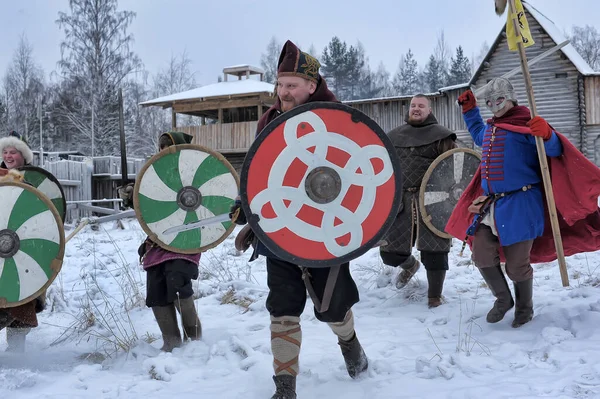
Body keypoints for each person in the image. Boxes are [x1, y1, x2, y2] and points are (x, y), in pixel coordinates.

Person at [230, 40, 368, 399]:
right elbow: (264, 177)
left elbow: (358, 180)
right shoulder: (270, 122)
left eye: (291, 85)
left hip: (327, 232)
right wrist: (247, 212)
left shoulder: (338, 120)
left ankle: (350, 343)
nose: (284, 92)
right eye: (280, 85)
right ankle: (285, 385)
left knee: (333, 307)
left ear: (311, 84)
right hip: (280, 234)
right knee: (283, 307)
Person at [453, 77, 565, 328]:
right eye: (490, 102)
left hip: (522, 204)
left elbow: (555, 150)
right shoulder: (493, 128)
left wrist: (547, 135)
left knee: (516, 265)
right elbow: (478, 136)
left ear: (511, 97)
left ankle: (524, 310)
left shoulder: (526, 124)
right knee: (480, 252)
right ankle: (503, 300)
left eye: (499, 99)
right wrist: (470, 111)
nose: (495, 105)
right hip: (493, 205)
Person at [118, 131, 202, 351]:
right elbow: (147, 206)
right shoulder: (156, 176)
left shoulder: (195, 174)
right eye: (162, 146)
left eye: (169, 146)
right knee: (156, 291)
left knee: (177, 283)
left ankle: (195, 343)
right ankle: (172, 344)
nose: (164, 150)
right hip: (158, 243)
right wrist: (132, 194)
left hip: (185, 240)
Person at [379, 95, 457, 308]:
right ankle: (410, 265)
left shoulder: (441, 137)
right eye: (413, 105)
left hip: (434, 201)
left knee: (435, 252)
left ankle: (434, 297)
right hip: (401, 201)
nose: (416, 109)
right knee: (390, 253)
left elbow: (455, 166)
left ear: (429, 110)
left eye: (421, 106)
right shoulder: (394, 136)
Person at [0, 131, 46, 352]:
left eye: (14, 152)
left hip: (24, 250)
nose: (8, 156)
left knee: (21, 300)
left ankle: (17, 354)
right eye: (5, 152)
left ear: (24, 156)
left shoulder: (33, 183)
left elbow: (43, 217)